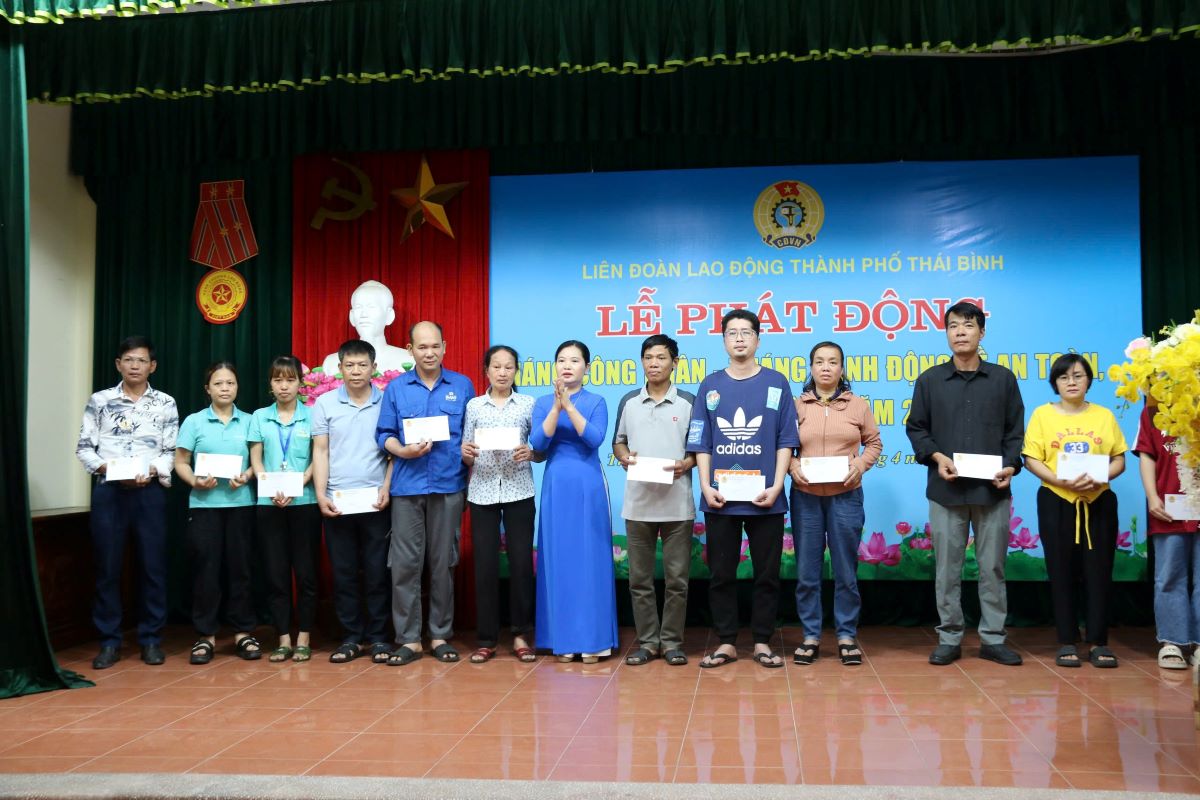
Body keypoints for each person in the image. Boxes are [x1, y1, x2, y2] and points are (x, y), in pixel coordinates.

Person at [906, 301, 1025, 667]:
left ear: (981, 332)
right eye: (953, 326)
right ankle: (949, 637)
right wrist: (937, 457)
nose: (960, 332)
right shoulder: (930, 380)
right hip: (947, 491)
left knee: (992, 569)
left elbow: (1015, 431)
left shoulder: (1003, 379)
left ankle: (993, 638)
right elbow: (916, 428)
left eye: (968, 325)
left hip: (993, 491)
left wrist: (1010, 466)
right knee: (947, 570)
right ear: (946, 334)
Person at [687, 310, 799, 669]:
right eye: (732, 333)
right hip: (720, 498)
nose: (739, 338)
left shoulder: (776, 383)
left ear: (758, 339)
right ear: (723, 341)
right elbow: (701, 441)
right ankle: (726, 642)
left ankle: (763, 641)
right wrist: (705, 486)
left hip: (766, 498)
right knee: (721, 575)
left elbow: (786, 439)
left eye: (746, 332)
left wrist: (777, 484)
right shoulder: (710, 385)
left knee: (767, 574)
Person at [75, 335, 178, 670]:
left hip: (149, 493)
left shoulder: (165, 403)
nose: (135, 366)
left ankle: (151, 639)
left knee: (153, 566)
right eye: (129, 360)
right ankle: (109, 641)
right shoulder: (100, 401)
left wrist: (152, 470)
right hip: (110, 492)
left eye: (142, 360)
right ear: (119, 364)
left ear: (153, 366)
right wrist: (107, 468)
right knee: (107, 567)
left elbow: (170, 451)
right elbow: (84, 448)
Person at [377, 321, 473, 665]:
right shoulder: (396, 388)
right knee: (404, 566)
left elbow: (470, 434)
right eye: (422, 347)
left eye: (435, 346)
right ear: (410, 350)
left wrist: (469, 452)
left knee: (443, 563)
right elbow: (384, 434)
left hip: (449, 485)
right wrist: (402, 451)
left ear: (444, 346)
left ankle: (440, 635)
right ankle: (408, 639)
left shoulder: (462, 385)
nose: (429, 353)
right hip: (407, 487)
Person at [1022, 354, 1127, 668]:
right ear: (1055, 382)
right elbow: (1031, 459)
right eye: (1064, 377)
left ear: (1089, 381)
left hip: (1098, 500)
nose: (1071, 382)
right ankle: (1067, 640)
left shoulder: (1104, 415)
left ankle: (1098, 642)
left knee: (1099, 572)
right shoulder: (1043, 415)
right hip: (1057, 499)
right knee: (1061, 570)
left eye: (1078, 376)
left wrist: (1100, 476)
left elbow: (1119, 459)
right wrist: (1060, 480)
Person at [790, 341, 882, 667]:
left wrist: (860, 465)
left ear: (842, 369)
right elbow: (783, 445)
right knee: (807, 572)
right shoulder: (796, 405)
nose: (826, 367)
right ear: (811, 368)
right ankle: (810, 636)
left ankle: (846, 635)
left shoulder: (858, 405)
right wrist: (792, 467)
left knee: (845, 571)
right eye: (819, 362)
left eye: (832, 362)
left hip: (846, 496)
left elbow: (874, 443)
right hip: (806, 497)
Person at [531, 340, 618, 663]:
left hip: (588, 484)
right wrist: (556, 408)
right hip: (557, 485)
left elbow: (594, 438)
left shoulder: (596, 401)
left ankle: (594, 641)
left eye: (574, 360)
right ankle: (562, 640)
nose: (567, 366)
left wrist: (569, 407)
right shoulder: (543, 403)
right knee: (560, 558)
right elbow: (538, 442)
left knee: (589, 559)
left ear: (587, 367)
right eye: (561, 360)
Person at [612, 334, 696, 667]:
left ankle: (672, 642)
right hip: (638, 504)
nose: (654, 364)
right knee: (639, 581)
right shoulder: (629, 401)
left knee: (677, 581)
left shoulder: (688, 401)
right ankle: (648, 642)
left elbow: (698, 449)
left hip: (677, 504)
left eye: (661, 357)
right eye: (648, 357)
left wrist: (686, 464)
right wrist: (623, 457)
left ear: (675, 362)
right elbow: (618, 442)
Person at [312, 340, 394, 664]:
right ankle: (350, 638)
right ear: (340, 368)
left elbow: (393, 452)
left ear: (374, 368)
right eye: (350, 365)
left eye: (362, 365)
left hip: (376, 501)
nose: (356, 371)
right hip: (338, 501)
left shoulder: (387, 401)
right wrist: (321, 494)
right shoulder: (325, 403)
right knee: (343, 573)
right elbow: (321, 451)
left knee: (377, 572)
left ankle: (379, 638)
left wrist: (387, 487)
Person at [175, 362, 259, 665]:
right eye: (218, 383)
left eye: (230, 383)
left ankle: (242, 632)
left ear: (237, 387)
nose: (225, 388)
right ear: (207, 389)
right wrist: (194, 480)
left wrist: (246, 476)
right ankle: (205, 635)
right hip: (204, 507)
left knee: (241, 569)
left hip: (241, 505)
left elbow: (257, 461)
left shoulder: (250, 421)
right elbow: (180, 461)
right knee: (206, 571)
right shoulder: (194, 422)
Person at [461, 345, 542, 663]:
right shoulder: (474, 406)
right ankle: (486, 638)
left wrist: (531, 452)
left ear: (516, 371)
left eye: (509, 367)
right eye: (497, 366)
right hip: (482, 491)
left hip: (519, 490)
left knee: (521, 564)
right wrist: (466, 453)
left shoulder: (528, 404)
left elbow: (541, 446)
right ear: (486, 370)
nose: (503, 372)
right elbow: (466, 451)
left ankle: (521, 634)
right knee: (485, 566)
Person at [248, 355, 320, 663]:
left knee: (305, 573)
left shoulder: (313, 416)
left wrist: (299, 484)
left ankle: (304, 636)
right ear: (270, 384)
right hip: (269, 504)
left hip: (304, 503)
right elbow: (256, 458)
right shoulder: (260, 417)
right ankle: (282, 638)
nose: (284, 386)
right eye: (278, 380)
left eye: (290, 380)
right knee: (276, 574)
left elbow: (319, 457)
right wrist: (268, 485)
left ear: (300, 384)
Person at [1133, 402, 1200, 669]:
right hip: (1169, 509)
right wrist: (1152, 496)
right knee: (1169, 576)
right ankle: (1172, 641)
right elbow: (1147, 454)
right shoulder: (1154, 409)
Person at [321, 280, 416, 376]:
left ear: (389, 316)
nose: (364, 314)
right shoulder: (331, 363)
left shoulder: (409, 360)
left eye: (371, 307)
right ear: (351, 316)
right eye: (358, 307)